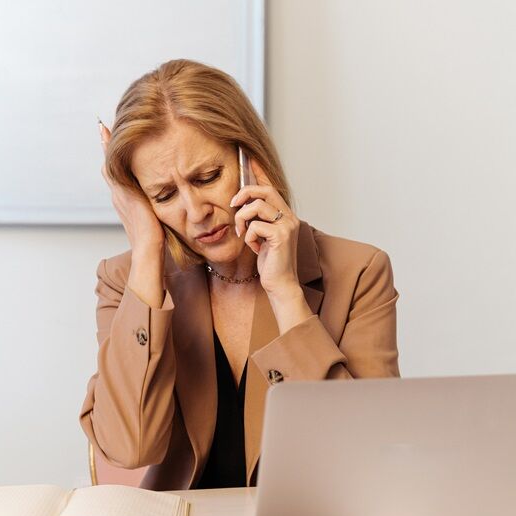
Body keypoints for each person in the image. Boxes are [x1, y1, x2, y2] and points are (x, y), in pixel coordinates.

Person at [80, 59, 399, 490]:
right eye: (164, 194)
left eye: (208, 177)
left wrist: (286, 292)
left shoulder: (358, 271)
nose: (195, 213)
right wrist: (147, 251)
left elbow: (362, 460)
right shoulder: (128, 280)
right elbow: (129, 447)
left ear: (252, 161)